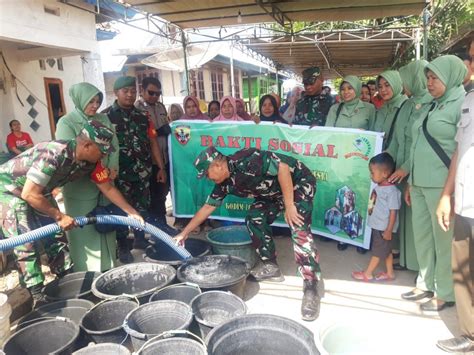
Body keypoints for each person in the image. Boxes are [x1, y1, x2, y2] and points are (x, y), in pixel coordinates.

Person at [174, 146, 321, 321]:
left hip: (297, 182)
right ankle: (271, 267)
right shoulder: (224, 184)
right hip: (272, 193)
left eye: (207, 173)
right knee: (255, 218)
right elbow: (207, 208)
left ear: (217, 166)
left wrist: (289, 205)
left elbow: (282, 168)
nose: (208, 178)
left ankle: (311, 286)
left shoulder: (247, 160)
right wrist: (184, 233)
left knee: (299, 227)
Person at [0, 120, 143, 300]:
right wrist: (59, 215)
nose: (104, 155)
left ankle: (67, 279)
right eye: (103, 150)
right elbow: (29, 194)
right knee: (26, 243)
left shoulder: (92, 162)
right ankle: (37, 296)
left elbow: (107, 188)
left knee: (55, 237)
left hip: (38, 191)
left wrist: (131, 212)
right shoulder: (53, 154)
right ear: (87, 145)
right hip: (9, 190)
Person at [402, 55, 467, 312]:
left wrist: (448, 193)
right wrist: (411, 181)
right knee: (423, 236)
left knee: (443, 240)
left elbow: (460, 150)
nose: (429, 83)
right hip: (419, 182)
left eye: (434, 78)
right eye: (427, 78)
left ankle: (445, 291)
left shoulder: (461, 103)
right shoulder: (433, 105)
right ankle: (425, 281)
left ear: (450, 77)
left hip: (442, 185)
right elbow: (416, 142)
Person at [55, 82, 119, 272]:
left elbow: (113, 145)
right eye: (90, 101)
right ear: (79, 99)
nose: (94, 105)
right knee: (84, 231)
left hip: (106, 181)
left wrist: (113, 166)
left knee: (106, 225)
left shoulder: (103, 119)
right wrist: (100, 170)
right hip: (80, 187)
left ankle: (109, 268)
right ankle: (86, 274)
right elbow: (72, 154)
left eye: (97, 101)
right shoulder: (66, 122)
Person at [103, 76, 166, 264]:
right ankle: (123, 245)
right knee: (122, 210)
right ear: (116, 93)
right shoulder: (106, 117)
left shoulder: (143, 116)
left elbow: (153, 142)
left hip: (143, 172)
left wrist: (160, 167)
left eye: (132, 91)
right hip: (120, 175)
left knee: (142, 207)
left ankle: (140, 239)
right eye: (125, 91)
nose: (130, 95)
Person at [435, 89, 474, 353]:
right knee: (463, 271)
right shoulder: (469, 100)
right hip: (465, 200)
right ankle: (469, 334)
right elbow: (458, 150)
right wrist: (446, 195)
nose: (471, 64)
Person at [386, 60, 433, 272]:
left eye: (405, 80)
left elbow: (419, 143)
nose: (403, 85)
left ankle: (420, 267)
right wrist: (387, 160)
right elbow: (397, 139)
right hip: (399, 172)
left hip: (416, 170)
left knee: (418, 221)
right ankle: (406, 260)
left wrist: (405, 166)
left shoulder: (431, 103)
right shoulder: (407, 104)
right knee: (404, 218)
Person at [325, 75, 375, 253]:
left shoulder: (369, 109)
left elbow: (376, 134)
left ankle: (361, 237)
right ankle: (344, 235)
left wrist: (365, 135)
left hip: (362, 160)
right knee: (343, 196)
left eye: (350, 88)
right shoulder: (335, 109)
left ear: (357, 89)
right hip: (341, 160)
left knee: (361, 195)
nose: (346, 92)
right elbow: (328, 133)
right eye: (343, 89)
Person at [352, 153, 400, 282]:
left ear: (384, 174)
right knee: (386, 250)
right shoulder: (380, 187)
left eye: (372, 173)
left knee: (378, 252)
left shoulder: (391, 191)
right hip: (379, 225)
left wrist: (389, 230)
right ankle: (390, 273)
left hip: (383, 228)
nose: (370, 175)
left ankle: (368, 273)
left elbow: (393, 211)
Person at [135, 77, 174, 229]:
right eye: (151, 93)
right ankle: (154, 229)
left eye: (158, 94)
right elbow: (140, 136)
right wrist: (158, 132)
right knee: (150, 198)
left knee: (161, 196)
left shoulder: (160, 107)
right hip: (148, 161)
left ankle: (161, 225)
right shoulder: (137, 109)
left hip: (163, 159)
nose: (154, 96)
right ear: (142, 91)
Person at [371, 71, 408, 150]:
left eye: (387, 85)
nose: (383, 90)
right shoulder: (382, 108)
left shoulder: (407, 106)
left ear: (396, 84)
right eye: (380, 87)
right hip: (380, 156)